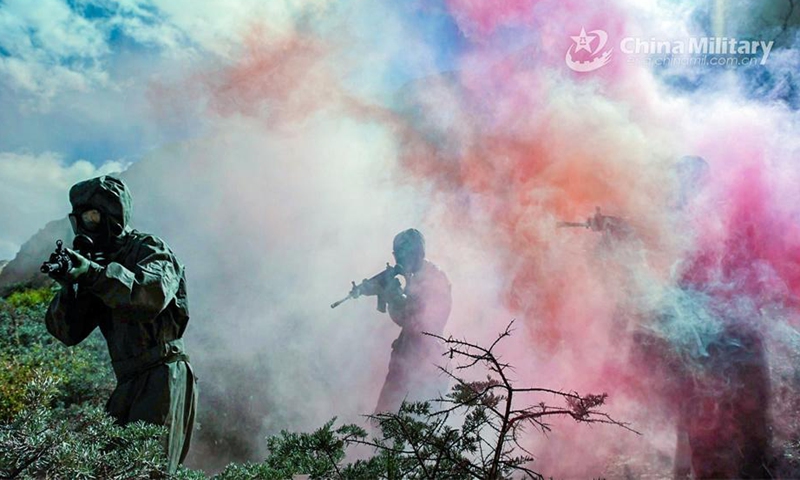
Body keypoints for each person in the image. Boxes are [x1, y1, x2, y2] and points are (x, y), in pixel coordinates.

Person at [44, 175, 196, 472]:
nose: (89, 223)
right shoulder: (98, 265)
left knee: (145, 468)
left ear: (113, 214)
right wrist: (69, 288)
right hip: (128, 379)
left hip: (164, 374)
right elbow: (67, 332)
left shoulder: (149, 249)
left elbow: (148, 296)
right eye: (84, 216)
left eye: (95, 215)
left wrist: (93, 274)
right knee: (108, 467)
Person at [365, 229, 452, 414]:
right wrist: (390, 296)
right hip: (406, 360)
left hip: (427, 364)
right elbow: (403, 320)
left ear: (419, 253)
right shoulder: (412, 277)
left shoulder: (434, 279)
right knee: (383, 420)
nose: (400, 260)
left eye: (405, 254)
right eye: (397, 254)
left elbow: (421, 323)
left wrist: (395, 297)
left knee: (419, 425)